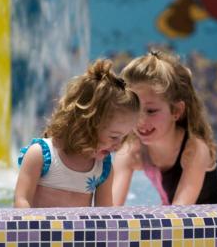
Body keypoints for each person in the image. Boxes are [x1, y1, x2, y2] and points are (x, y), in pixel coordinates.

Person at [14, 59, 140, 208]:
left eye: (123, 137)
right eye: (114, 136)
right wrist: (35, 230)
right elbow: (21, 201)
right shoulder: (41, 155)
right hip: (41, 230)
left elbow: (105, 215)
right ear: (86, 124)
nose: (119, 145)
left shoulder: (102, 168)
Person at [113, 51, 217, 205]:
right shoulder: (131, 152)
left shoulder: (194, 150)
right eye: (134, 110)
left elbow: (178, 215)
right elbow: (110, 211)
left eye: (151, 111)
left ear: (176, 111)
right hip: (177, 220)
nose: (140, 121)